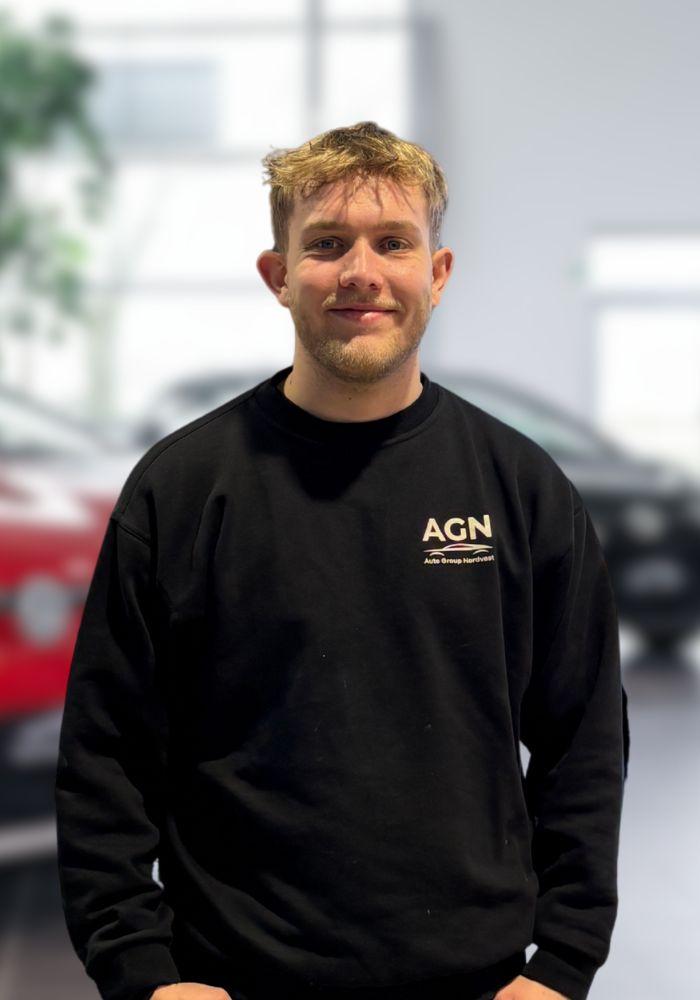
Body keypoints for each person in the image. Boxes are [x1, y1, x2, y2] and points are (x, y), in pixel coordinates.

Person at [54, 121, 629, 1000]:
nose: (362, 271)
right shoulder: (182, 487)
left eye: (393, 242)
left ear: (437, 273)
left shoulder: (523, 488)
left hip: (477, 981)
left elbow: (583, 740)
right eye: (326, 244)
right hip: (233, 978)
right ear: (278, 275)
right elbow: (106, 752)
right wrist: (141, 971)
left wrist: (561, 964)